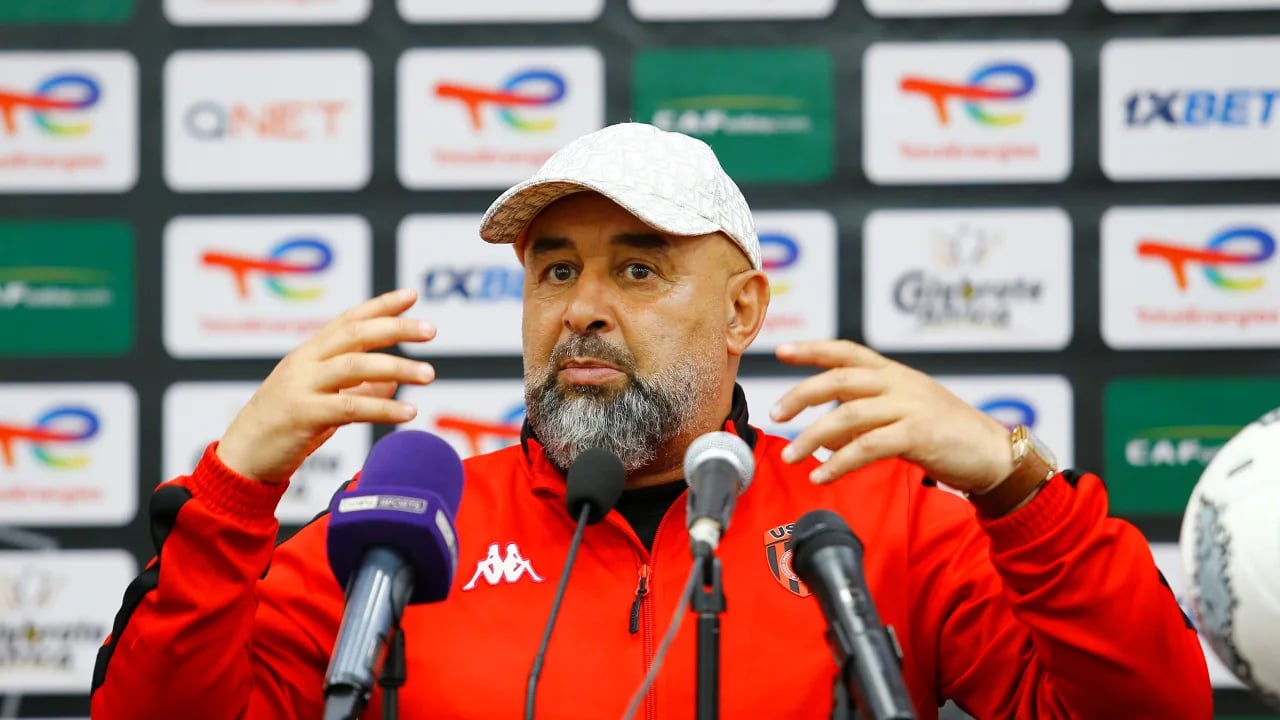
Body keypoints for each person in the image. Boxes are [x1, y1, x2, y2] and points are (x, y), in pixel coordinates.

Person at [89, 122, 1212, 720]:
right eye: (555, 270)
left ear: (742, 312)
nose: (580, 308)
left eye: (637, 269)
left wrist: (1015, 487)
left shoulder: (876, 520)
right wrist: (235, 487)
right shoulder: (407, 523)